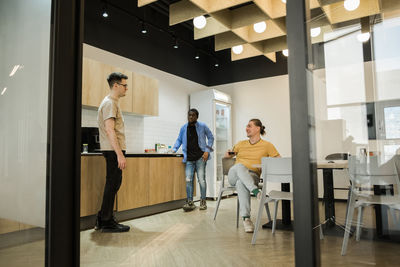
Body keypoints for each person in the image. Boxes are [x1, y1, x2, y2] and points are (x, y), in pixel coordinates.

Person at [225, 119, 280, 233]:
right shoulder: (240, 144)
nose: (246, 128)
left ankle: (246, 219)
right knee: (240, 166)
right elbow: (229, 155)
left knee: (241, 183)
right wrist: (227, 155)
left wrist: (265, 165)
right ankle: (257, 193)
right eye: (246, 126)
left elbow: (278, 160)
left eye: (249, 126)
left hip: (252, 175)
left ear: (258, 128)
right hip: (234, 175)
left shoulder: (267, 145)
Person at [95, 72, 130, 232]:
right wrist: (119, 154)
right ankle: (106, 220)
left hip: (112, 150)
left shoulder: (111, 102)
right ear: (115, 85)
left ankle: (103, 218)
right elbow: (110, 130)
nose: (126, 89)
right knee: (112, 184)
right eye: (124, 85)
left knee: (113, 183)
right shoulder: (110, 103)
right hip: (112, 150)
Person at [172, 108, 214, 211]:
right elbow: (179, 140)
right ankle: (190, 202)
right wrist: (174, 149)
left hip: (200, 157)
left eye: (193, 115)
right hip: (189, 159)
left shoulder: (202, 126)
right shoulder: (183, 128)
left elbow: (211, 137)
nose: (191, 117)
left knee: (201, 180)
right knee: (188, 180)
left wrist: (207, 151)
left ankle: (203, 201)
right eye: (189, 115)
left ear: (197, 117)